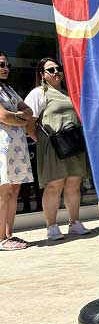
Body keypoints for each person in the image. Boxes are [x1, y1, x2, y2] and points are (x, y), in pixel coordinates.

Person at [25, 57, 90, 241]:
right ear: (42, 75)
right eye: (51, 70)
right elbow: (29, 120)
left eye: (58, 69)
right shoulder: (39, 93)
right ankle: (51, 226)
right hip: (52, 146)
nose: (56, 72)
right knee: (54, 185)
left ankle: (74, 223)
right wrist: (40, 140)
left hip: (74, 144)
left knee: (74, 184)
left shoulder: (68, 93)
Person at [0, 53, 34, 250]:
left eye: (7, 64)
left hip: (17, 147)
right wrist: (18, 117)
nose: (5, 68)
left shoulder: (9, 90)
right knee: (4, 192)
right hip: (2, 147)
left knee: (14, 190)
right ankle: (0, 238)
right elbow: (4, 116)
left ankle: (9, 234)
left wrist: (18, 116)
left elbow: (28, 112)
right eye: (1, 64)